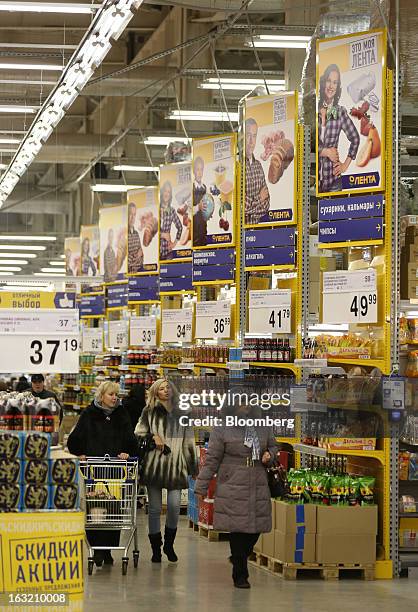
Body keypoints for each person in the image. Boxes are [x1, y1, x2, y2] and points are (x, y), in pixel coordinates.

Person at [194, 403, 278, 589]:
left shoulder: (262, 424)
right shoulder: (223, 427)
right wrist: (201, 487)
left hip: (257, 481)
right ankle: (240, 573)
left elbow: (273, 446)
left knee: (255, 529)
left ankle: (239, 556)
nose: (246, 406)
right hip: (232, 482)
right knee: (238, 530)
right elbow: (212, 460)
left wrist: (269, 455)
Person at [67, 381, 137, 567]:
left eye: (116, 395)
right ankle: (97, 549)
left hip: (115, 471)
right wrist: (79, 453)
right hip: (93, 470)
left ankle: (107, 550)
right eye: (111, 394)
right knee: (96, 509)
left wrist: (127, 453)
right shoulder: (89, 414)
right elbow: (75, 439)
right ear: (101, 396)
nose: (114, 398)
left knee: (113, 508)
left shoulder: (122, 414)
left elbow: (131, 440)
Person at [135, 378, 198, 563]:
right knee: (154, 509)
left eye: (168, 387)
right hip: (154, 466)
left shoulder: (183, 413)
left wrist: (193, 466)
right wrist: (153, 437)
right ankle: (156, 548)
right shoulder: (148, 412)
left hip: (175, 466)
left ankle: (169, 545)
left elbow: (189, 442)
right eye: (161, 388)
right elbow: (138, 433)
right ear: (156, 392)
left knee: (173, 506)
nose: (166, 391)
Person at [318, 63, 360, 193]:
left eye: (335, 83)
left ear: (337, 87)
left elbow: (355, 138)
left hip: (333, 182)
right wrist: (325, 152)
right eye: (329, 81)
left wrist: (344, 166)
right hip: (313, 183)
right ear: (324, 82)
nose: (331, 86)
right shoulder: (313, 111)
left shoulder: (340, 112)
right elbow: (305, 145)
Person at [245, 117, 270, 225]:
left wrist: (250, 209)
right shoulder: (237, 167)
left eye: (254, 136)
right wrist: (260, 198)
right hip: (241, 233)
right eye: (248, 135)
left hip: (258, 232)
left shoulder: (258, 166)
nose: (251, 141)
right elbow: (242, 207)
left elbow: (266, 205)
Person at [159, 180, 182, 260]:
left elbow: (180, 227)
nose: (166, 194)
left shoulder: (171, 210)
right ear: (162, 192)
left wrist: (174, 244)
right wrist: (162, 235)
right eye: (165, 191)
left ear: (170, 195)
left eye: (168, 192)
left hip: (167, 253)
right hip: (155, 255)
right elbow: (151, 233)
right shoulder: (156, 210)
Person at [128, 202, 144, 274]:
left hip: (137, 275)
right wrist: (137, 256)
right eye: (130, 214)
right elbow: (127, 261)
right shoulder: (124, 236)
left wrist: (133, 257)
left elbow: (142, 258)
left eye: (134, 214)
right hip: (127, 277)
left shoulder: (136, 234)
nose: (132, 217)